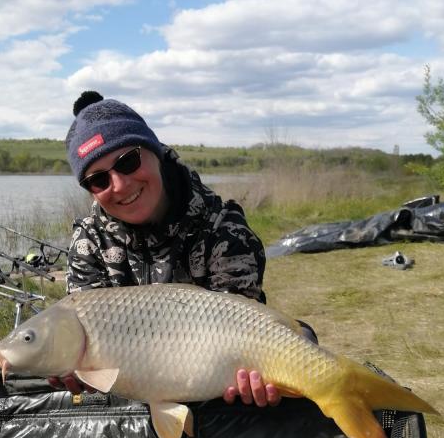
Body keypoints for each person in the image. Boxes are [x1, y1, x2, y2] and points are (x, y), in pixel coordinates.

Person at [51, 90, 281, 407]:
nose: (119, 185)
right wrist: (76, 369)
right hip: (133, 402)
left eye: (127, 162)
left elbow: (240, 332)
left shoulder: (224, 231)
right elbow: (94, 361)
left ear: (155, 151)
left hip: (214, 393)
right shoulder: (89, 243)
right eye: (99, 180)